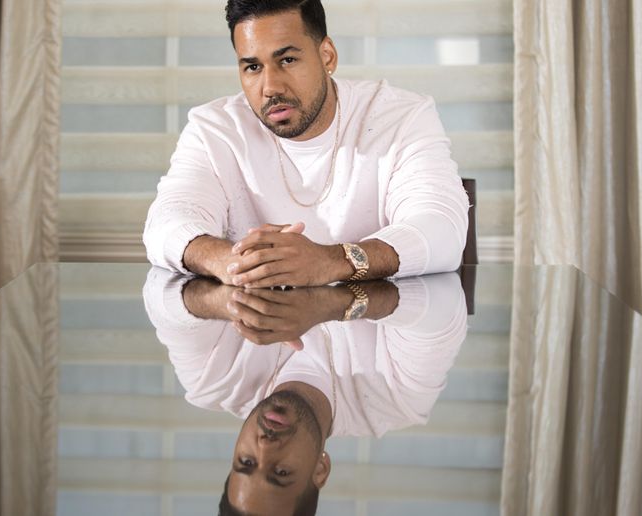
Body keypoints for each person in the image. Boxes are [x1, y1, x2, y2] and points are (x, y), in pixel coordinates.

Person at [142, 0, 469, 290]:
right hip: (254, 338)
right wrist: (230, 261)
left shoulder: (401, 117)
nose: (270, 87)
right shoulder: (214, 128)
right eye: (253, 67)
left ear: (327, 55)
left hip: (373, 334)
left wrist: (332, 261)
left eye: (287, 60)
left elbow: (441, 231)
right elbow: (167, 223)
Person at [141, 267, 468, 515]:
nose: (265, 448)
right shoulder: (397, 398)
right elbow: (443, 304)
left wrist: (239, 276)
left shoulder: (210, 380)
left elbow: (160, 293)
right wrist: (326, 296)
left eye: (246, 461)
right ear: (320, 470)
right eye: (281, 472)